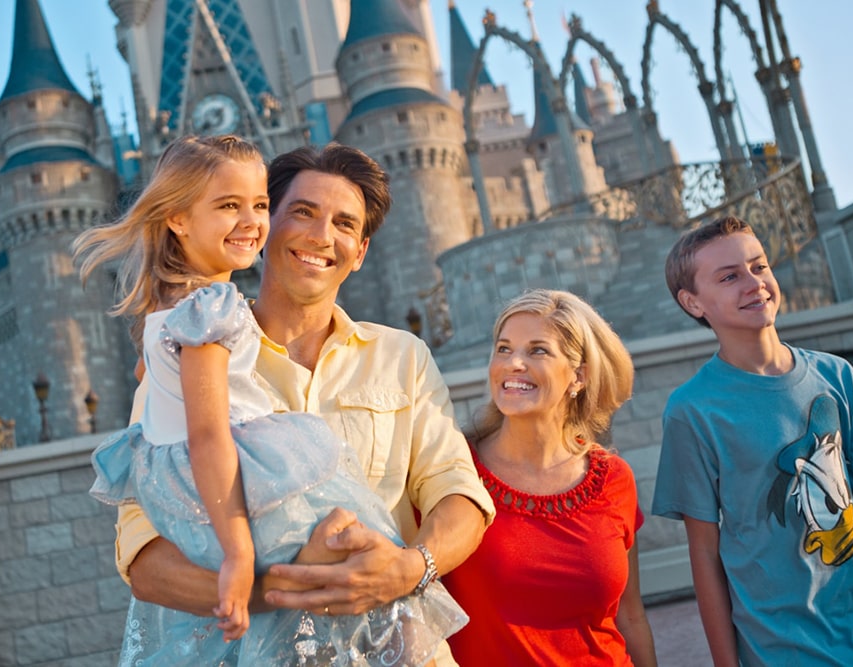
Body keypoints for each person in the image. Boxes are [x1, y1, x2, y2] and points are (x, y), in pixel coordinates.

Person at [74, 135, 473, 665]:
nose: (321, 235)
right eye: (301, 212)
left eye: (344, 224)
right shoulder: (195, 343)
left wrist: (405, 571)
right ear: (267, 232)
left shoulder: (403, 356)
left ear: (361, 253)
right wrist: (301, 592)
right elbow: (145, 561)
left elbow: (458, 493)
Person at [651, 216, 853, 666]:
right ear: (693, 302)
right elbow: (704, 552)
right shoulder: (692, 411)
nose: (753, 283)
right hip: (780, 648)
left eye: (759, 266)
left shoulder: (837, 376)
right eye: (729, 276)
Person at [445, 289, 658, 666]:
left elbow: (630, 614)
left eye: (537, 350)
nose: (514, 363)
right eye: (504, 349)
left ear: (579, 375)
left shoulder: (614, 479)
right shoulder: (452, 468)